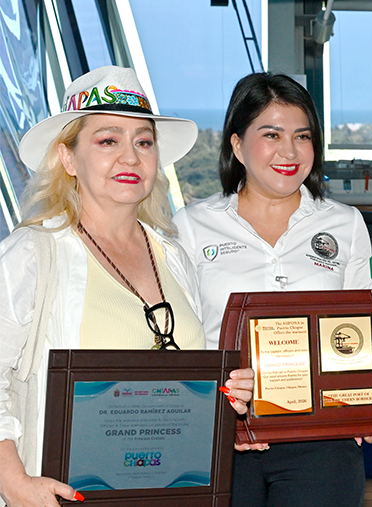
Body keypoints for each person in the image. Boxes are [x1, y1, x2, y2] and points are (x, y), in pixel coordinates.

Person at [0, 66, 257, 507]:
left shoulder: (172, 256)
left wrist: (226, 393)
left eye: (143, 142)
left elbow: (188, 374)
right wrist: (14, 484)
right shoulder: (31, 254)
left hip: (172, 494)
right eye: (107, 140)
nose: (131, 158)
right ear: (67, 158)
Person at [173, 72, 372, 507]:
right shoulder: (192, 225)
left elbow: (362, 335)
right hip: (221, 434)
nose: (289, 152)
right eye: (271, 134)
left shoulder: (343, 223)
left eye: (302, 136)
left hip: (323, 440)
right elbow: (181, 338)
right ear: (237, 145)